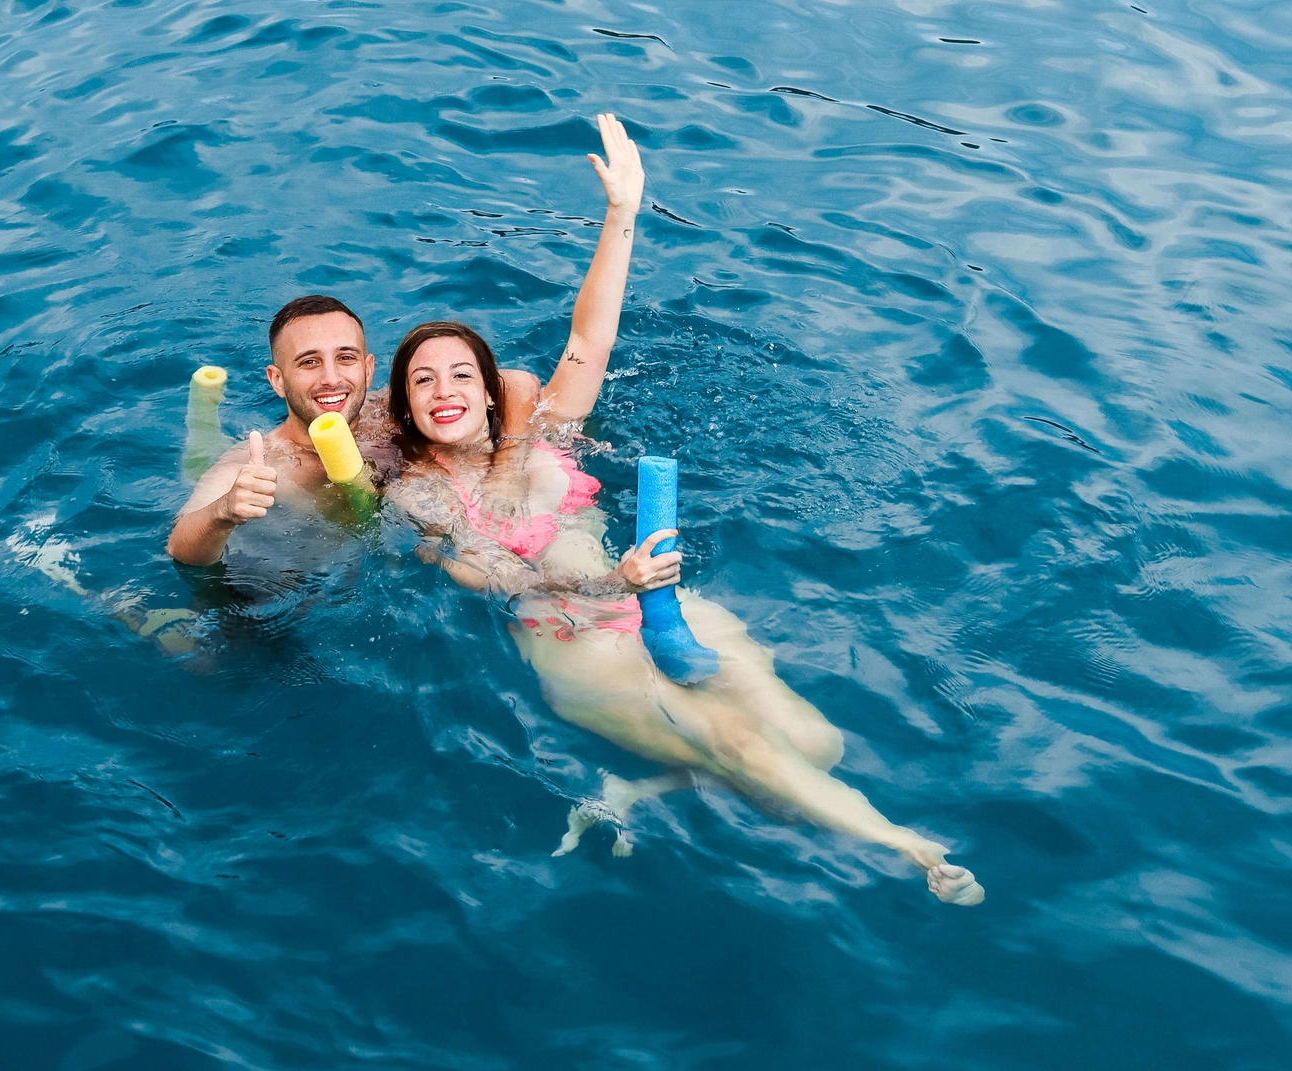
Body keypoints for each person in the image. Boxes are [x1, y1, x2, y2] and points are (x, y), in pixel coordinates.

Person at [384, 114, 985, 905]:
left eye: (461, 374)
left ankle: (644, 786)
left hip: (656, 604)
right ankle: (909, 847)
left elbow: (590, 336)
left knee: (816, 742)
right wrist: (616, 584)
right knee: (735, 739)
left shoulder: (545, 430)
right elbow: (490, 575)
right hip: (575, 643)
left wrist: (621, 213)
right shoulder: (419, 490)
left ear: (491, 392)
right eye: (423, 380)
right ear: (405, 406)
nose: (444, 390)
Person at [166, 293, 544, 565]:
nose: (331, 378)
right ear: (277, 380)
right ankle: (203, 420)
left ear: (367, 368)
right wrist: (225, 511)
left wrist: (508, 470)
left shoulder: (387, 411)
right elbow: (179, 546)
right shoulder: (264, 462)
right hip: (291, 572)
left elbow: (516, 383)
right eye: (309, 362)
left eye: (345, 358)